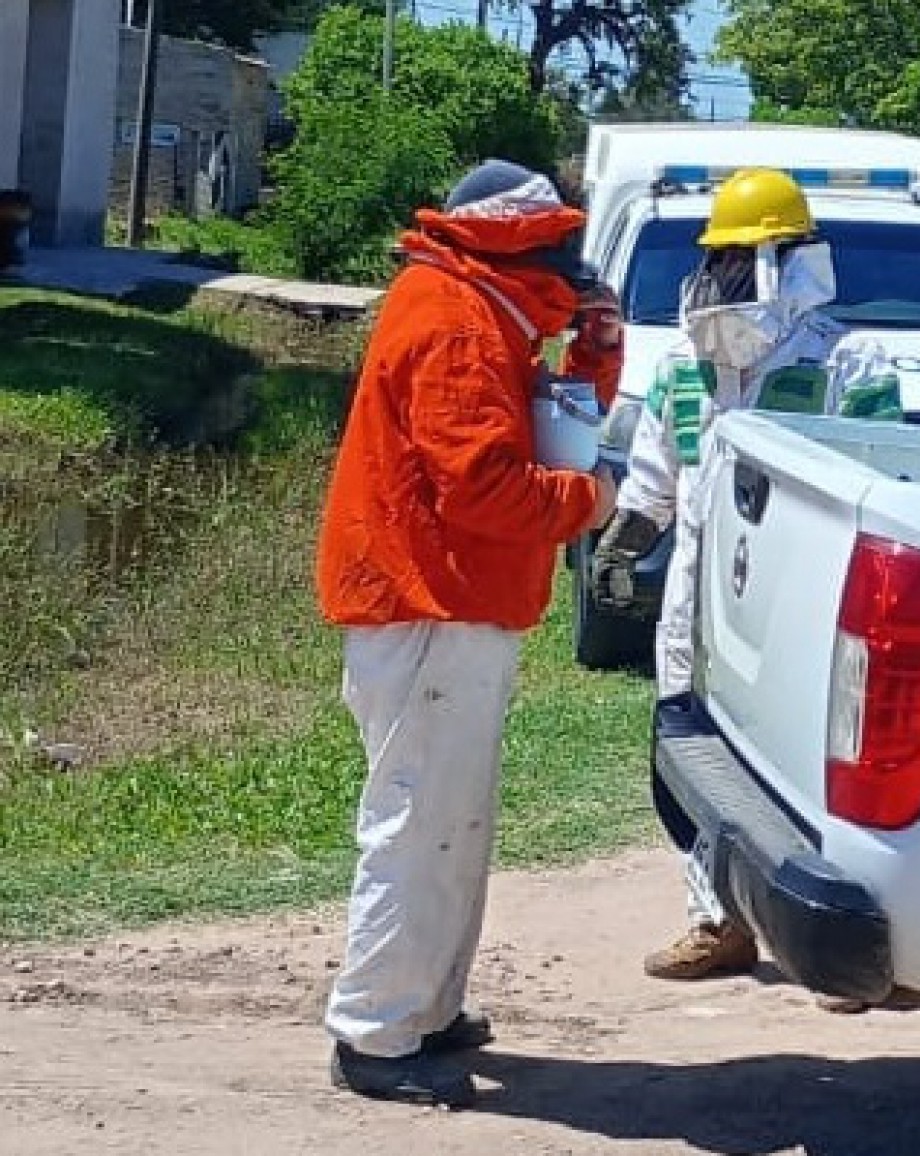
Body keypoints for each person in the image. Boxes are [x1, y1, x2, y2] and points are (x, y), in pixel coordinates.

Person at [314, 158, 624, 1108]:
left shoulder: (480, 308)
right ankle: (375, 1033)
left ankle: (424, 1008)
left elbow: (540, 428)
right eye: (558, 249)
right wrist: (591, 502)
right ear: (518, 243)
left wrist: (593, 358)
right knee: (417, 826)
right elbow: (486, 488)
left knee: (451, 823)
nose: (569, 270)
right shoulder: (455, 322)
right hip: (427, 608)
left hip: (450, 605)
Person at [589, 168, 891, 1003]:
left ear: (794, 264)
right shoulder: (685, 366)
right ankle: (716, 919)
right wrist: (623, 544)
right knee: (690, 755)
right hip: (699, 594)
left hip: (803, 597)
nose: (723, 279)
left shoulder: (845, 360)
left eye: (741, 260)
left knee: (810, 771)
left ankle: (836, 951)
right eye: (717, 260)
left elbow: (882, 483)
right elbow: (654, 475)